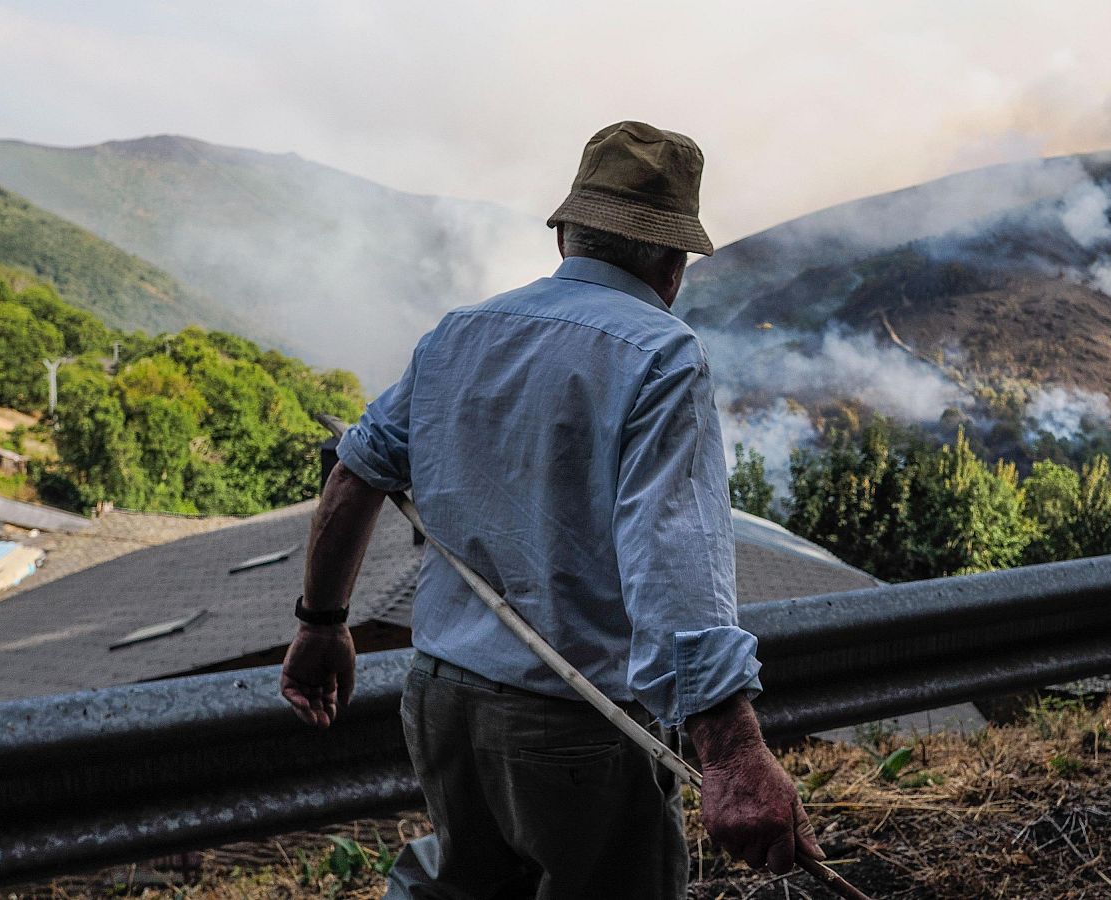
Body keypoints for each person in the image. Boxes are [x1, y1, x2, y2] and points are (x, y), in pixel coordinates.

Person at [280, 121, 823, 899]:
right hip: (572, 723)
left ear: (566, 233)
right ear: (674, 262)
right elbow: (674, 562)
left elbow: (353, 476)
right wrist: (732, 754)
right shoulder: (662, 354)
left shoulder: (459, 333)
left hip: (439, 699)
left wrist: (321, 624)